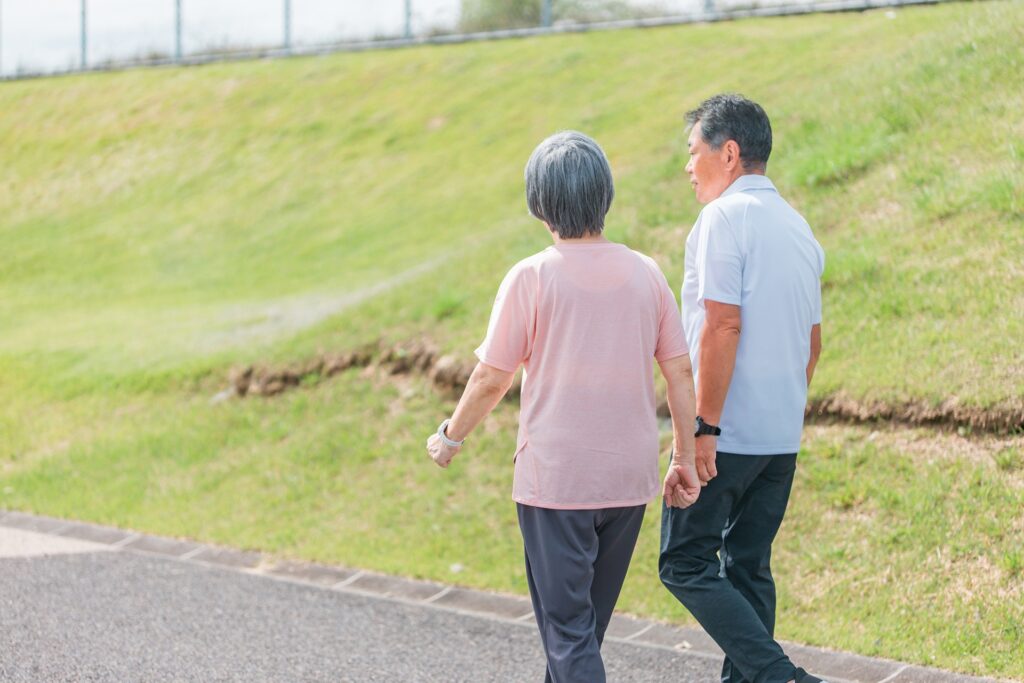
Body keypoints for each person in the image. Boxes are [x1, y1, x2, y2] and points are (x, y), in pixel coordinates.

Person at [426, 130, 701, 683]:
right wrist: (685, 458)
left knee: (569, 635)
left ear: (539, 202)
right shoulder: (646, 272)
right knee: (581, 635)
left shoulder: (532, 276)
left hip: (557, 482)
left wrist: (449, 436)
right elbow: (679, 372)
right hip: (627, 479)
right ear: (604, 194)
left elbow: (489, 378)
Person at [659, 94, 826, 683]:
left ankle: (782, 678)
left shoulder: (722, 219)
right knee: (749, 566)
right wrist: (779, 413)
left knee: (683, 562)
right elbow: (813, 345)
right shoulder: (799, 227)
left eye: (693, 152)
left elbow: (722, 325)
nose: (687, 167)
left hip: (724, 434)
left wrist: (703, 428)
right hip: (780, 437)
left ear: (728, 154)